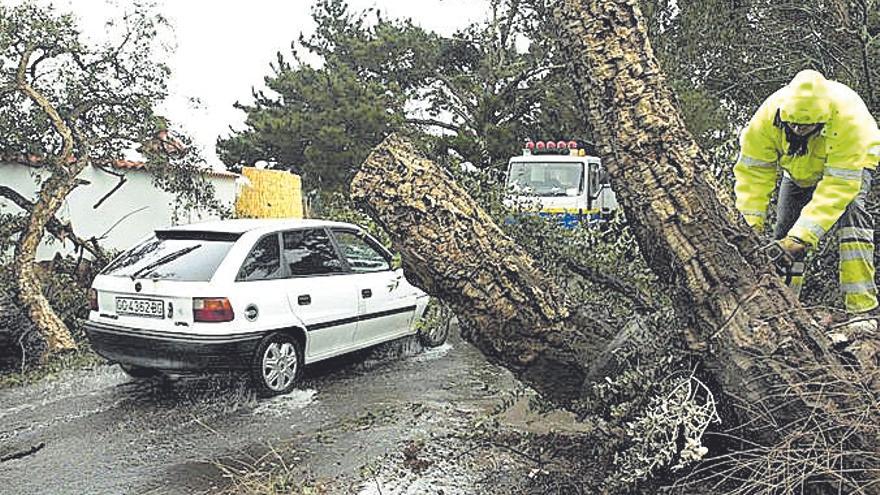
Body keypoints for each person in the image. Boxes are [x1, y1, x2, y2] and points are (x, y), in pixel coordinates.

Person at [734, 69, 880, 314]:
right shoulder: (765, 120)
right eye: (794, 125)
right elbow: (754, 178)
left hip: (853, 162)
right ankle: (786, 308)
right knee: (784, 231)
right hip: (800, 171)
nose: (799, 130)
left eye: (806, 126)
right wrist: (749, 228)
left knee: (852, 212)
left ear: (822, 119)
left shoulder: (848, 120)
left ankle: (862, 309)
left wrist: (801, 238)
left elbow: (838, 185)